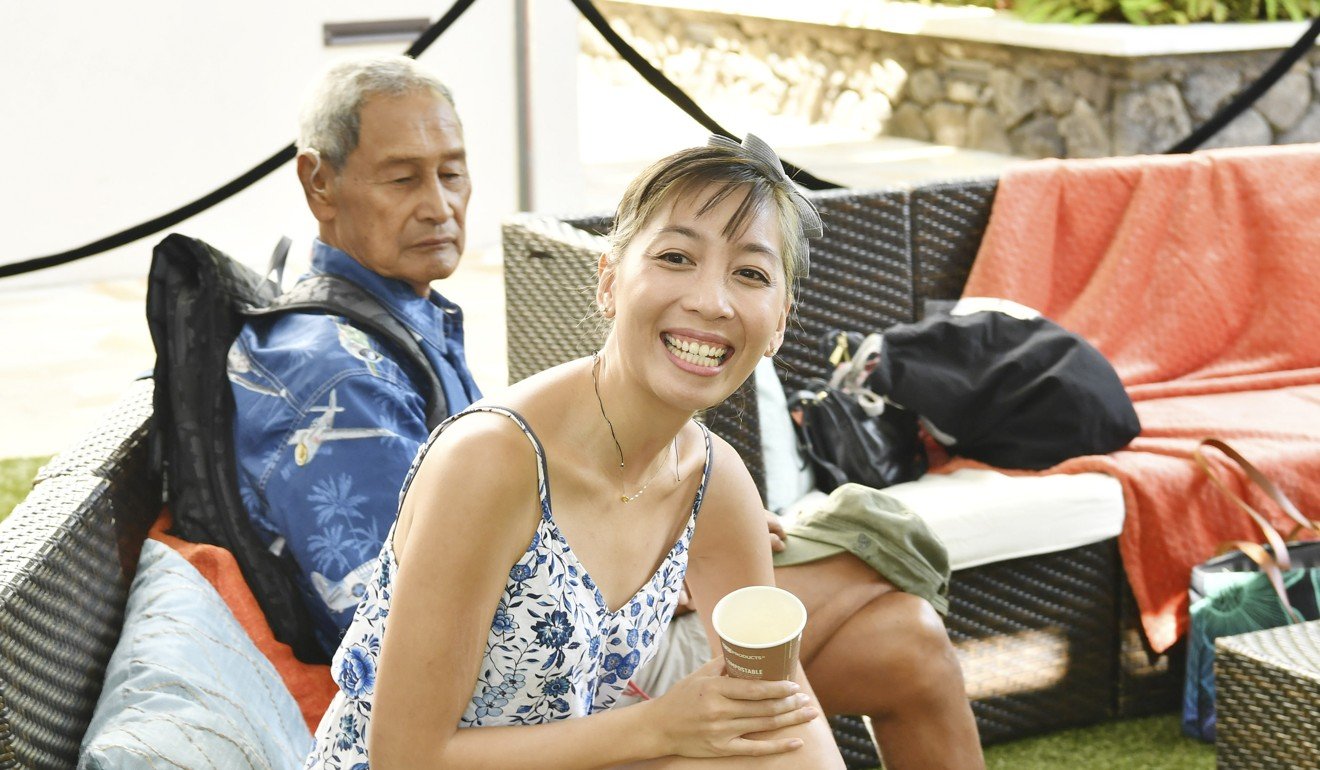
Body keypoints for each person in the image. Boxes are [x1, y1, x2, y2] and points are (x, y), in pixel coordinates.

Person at [305, 133, 848, 768]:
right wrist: (661, 729)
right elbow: (407, 757)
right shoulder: (492, 462)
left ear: (779, 320)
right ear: (610, 281)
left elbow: (778, 710)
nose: (710, 300)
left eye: (750, 273)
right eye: (675, 258)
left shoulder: (712, 481)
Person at [227, 56, 481, 658]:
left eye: (451, 173)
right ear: (320, 183)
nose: (440, 207)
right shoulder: (341, 384)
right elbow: (404, 642)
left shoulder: (401, 318)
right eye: (402, 180)